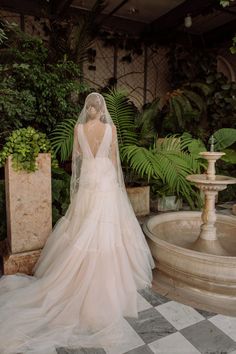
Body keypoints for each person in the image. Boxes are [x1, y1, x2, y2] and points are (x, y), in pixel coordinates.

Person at [0, 92, 155, 354]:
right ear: (102, 109)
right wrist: (115, 182)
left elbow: (79, 158)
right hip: (106, 180)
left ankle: (78, 273)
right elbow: (115, 159)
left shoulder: (78, 128)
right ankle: (110, 281)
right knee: (108, 229)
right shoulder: (112, 129)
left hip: (90, 181)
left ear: (88, 109)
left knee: (82, 226)